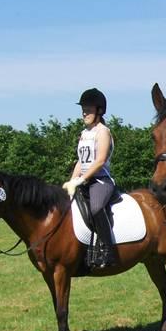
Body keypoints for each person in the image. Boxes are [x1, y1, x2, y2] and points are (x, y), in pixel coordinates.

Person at [62, 88, 117, 268]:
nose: (84, 113)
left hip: (101, 181)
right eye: (83, 109)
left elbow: (100, 160)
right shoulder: (85, 133)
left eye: (88, 109)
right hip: (85, 180)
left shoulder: (103, 132)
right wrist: (72, 180)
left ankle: (109, 251)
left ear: (99, 111)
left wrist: (81, 179)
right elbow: (81, 160)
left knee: (95, 207)